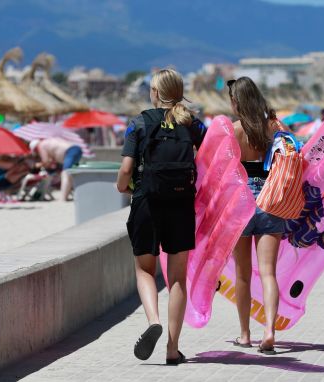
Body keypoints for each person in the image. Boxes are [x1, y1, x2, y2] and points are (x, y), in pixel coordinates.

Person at [116, 68, 206, 365]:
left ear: (155, 93)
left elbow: (126, 171)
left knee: (144, 269)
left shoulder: (139, 123)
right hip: (181, 204)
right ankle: (172, 347)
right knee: (178, 277)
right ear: (179, 92)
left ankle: (153, 319)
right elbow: (214, 156)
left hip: (147, 202)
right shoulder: (192, 124)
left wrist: (123, 187)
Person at [227, 77, 286, 355]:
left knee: (242, 275)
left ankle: (244, 334)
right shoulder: (273, 128)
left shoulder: (233, 131)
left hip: (241, 201)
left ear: (236, 102)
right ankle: (270, 330)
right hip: (271, 198)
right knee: (268, 273)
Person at [30, 137, 82, 201]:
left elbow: (46, 161)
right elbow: (51, 159)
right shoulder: (48, 141)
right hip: (76, 149)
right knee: (71, 175)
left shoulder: (41, 145)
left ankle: (63, 198)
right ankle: (73, 194)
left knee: (65, 174)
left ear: (35, 148)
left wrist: (38, 165)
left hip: (70, 151)